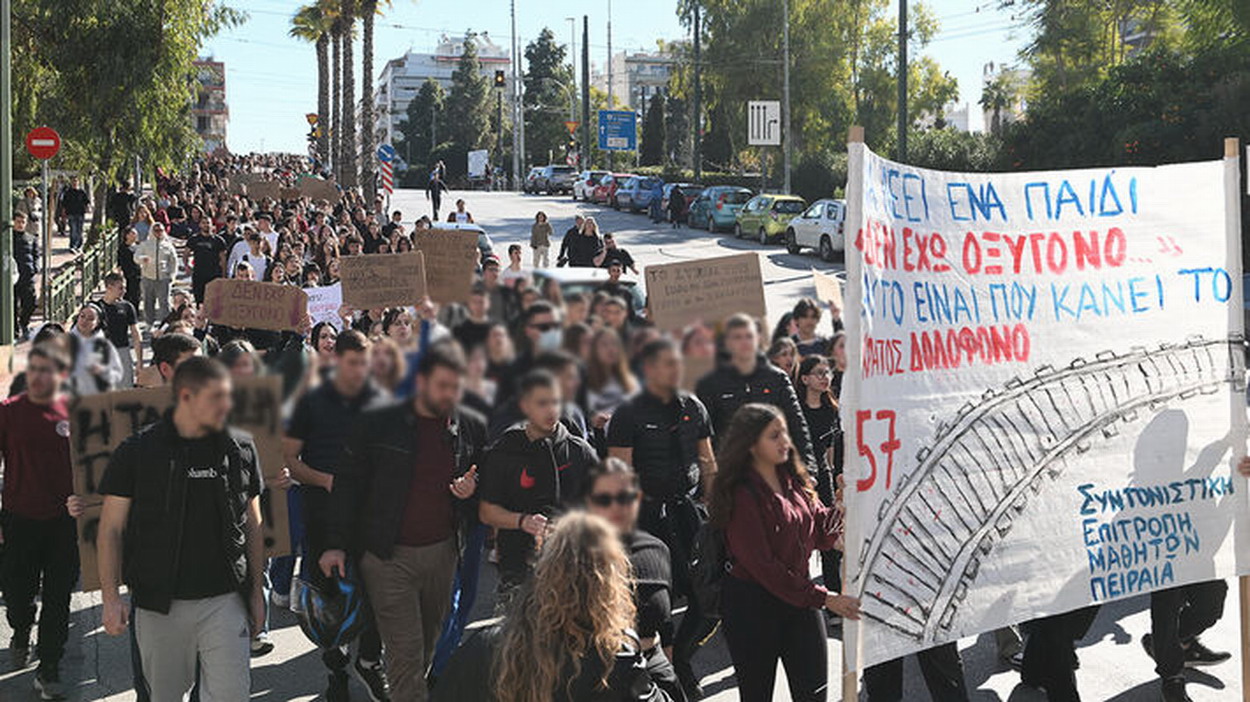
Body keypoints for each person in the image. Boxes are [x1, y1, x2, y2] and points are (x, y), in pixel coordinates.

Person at [323, 342, 487, 702]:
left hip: (443, 554)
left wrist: (470, 489)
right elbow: (348, 482)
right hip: (387, 557)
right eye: (443, 386)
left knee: (425, 651)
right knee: (406, 658)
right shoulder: (379, 421)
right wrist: (334, 543)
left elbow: (483, 474)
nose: (450, 395)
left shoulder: (467, 423)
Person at [97, 357, 266, 702]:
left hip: (225, 600)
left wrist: (255, 592)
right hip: (159, 605)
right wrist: (111, 598)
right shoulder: (137, 452)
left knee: (232, 695)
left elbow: (253, 523)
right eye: (216, 397)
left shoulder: (241, 448)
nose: (226, 406)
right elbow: (111, 529)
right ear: (186, 397)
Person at [432, 512, 675, 702]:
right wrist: (652, 652)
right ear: (611, 588)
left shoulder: (487, 646)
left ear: (541, 571)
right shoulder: (616, 662)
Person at [709, 403, 859, 702]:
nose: (785, 442)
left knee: (814, 694)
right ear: (751, 444)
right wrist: (826, 598)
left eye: (785, 434)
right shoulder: (740, 494)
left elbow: (821, 532)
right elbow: (764, 567)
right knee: (757, 694)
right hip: (753, 608)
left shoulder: (794, 479)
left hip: (800, 603)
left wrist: (843, 503)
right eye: (774, 436)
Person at [606, 339, 717, 698]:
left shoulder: (694, 407)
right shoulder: (628, 413)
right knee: (658, 601)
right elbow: (619, 473)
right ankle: (664, 672)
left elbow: (708, 462)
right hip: (645, 517)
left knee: (708, 596)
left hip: (687, 513)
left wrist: (715, 505)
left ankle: (681, 658)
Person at [284, 330, 391, 701]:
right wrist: (325, 480)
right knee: (328, 598)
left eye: (366, 363)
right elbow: (289, 459)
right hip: (323, 516)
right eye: (353, 363)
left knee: (378, 589)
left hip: (368, 515)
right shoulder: (313, 402)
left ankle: (370, 661)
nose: (360, 371)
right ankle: (336, 670)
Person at [478, 369, 597, 603]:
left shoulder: (579, 451)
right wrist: (523, 521)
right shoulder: (505, 450)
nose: (551, 410)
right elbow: (487, 512)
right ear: (524, 406)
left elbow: (602, 506)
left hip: (571, 564)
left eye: (555, 402)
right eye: (542, 403)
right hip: (517, 565)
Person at [0, 344, 77, 700]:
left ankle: (49, 666)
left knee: (59, 597)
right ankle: (20, 627)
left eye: (49, 370)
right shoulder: (7, 412)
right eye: (35, 369)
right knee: (17, 593)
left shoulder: (75, 412)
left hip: (64, 521)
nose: (40, 376)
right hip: (18, 518)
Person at [584, 458, 686, 702]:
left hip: (654, 662)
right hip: (603, 674)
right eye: (605, 499)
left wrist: (668, 671)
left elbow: (665, 622)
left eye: (624, 497)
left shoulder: (657, 548)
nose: (616, 506)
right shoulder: (575, 554)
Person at [696, 313, 816, 468]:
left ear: (758, 339)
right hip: (734, 471)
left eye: (748, 336)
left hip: (775, 469)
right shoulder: (711, 384)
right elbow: (706, 437)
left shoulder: (777, 378)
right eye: (737, 337)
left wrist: (808, 469)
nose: (744, 342)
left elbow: (797, 425)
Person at [1144, 580, 1231, 701]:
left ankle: (1179, 644)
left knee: (1212, 600)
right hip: (1165, 564)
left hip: (1198, 562)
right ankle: (1172, 678)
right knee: (1166, 606)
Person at [796, 355, 841, 590]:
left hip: (823, 477)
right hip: (798, 477)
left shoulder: (831, 409)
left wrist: (833, 477)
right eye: (819, 373)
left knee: (831, 532)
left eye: (828, 373)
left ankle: (833, 590)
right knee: (800, 535)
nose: (825, 378)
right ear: (804, 378)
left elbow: (831, 446)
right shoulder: (795, 410)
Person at [68, 303, 124, 396]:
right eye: (82, 316)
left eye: (91, 319)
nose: (85, 321)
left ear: (97, 323)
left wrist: (103, 372)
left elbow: (117, 374)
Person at [100, 273, 143, 388]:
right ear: (109, 287)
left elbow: (136, 334)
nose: (124, 291)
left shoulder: (127, 307)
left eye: (124, 287)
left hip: (122, 352)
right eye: (120, 288)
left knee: (125, 390)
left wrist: (139, 361)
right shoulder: (97, 308)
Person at [135, 221, 180, 327]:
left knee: (164, 303)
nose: (158, 232)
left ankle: (166, 325)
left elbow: (174, 261)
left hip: (163, 278)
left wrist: (172, 276)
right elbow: (136, 257)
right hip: (148, 277)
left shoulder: (168, 246)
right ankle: (149, 324)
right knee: (148, 302)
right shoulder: (145, 244)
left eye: (161, 230)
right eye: (156, 230)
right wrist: (142, 259)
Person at [11, 210, 40, 340]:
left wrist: (35, 267)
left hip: (27, 276)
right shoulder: (8, 238)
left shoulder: (31, 238)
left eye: (23, 222)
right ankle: (14, 330)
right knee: (12, 305)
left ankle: (24, 323)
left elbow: (36, 254)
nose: (20, 224)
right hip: (12, 278)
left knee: (31, 303)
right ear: (13, 222)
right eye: (18, 222)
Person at [187, 217, 227, 303]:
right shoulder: (194, 239)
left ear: (212, 225)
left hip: (214, 275)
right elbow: (185, 254)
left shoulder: (218, 240)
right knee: (199, 301)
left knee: (214, 302)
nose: (206, 225)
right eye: (204, 223)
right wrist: (188, 266)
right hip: (198, 275)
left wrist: (223, 276)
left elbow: (223, 260)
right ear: (200, 225)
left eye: (208, 223)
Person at [60, 177, 90, 252]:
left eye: (76, 181)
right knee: (73, 230)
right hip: (71, 213)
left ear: (78, 183)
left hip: (80, 213)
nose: (74, 183)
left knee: (79, 230)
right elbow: (64, 203)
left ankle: (79, 245)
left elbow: (86, 201)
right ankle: (72, 245)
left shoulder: (81, 192)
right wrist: (63, 212)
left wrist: (87, 208)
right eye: (73, 181)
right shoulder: (68, 192)